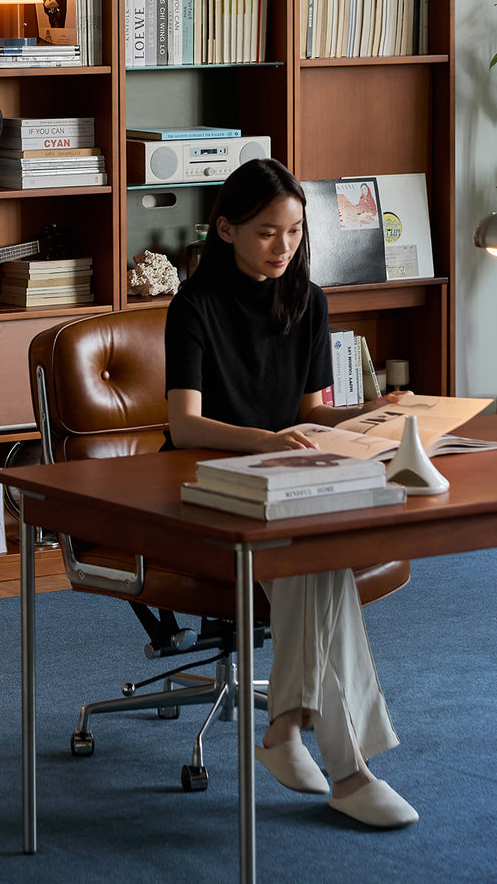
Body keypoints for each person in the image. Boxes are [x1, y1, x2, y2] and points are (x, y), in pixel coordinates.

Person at [163, 157, 418, 829]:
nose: (284, 246)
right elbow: (184, 424)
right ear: (225, 229)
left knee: (317, 556)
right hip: (207, 484)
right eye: (267, 232)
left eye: (296, 231)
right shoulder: (193, 306)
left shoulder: (308, 300)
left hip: (285, 479)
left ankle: (291, 733)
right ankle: (344, 768)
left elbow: (311, 412)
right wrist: (266, 440)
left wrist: (368, 414)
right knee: (312, 560)